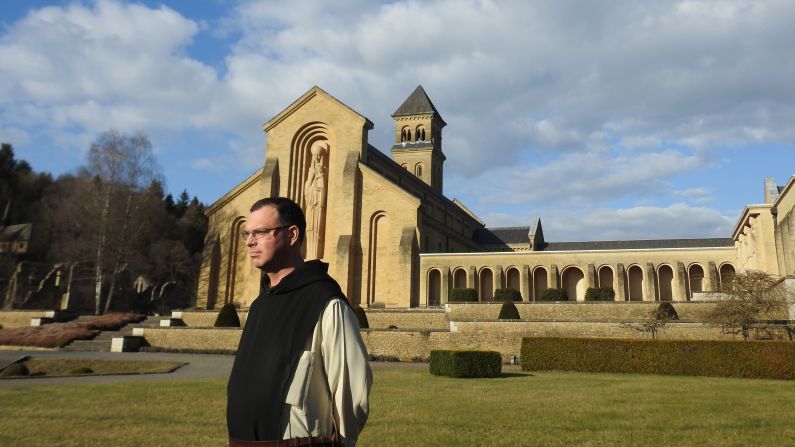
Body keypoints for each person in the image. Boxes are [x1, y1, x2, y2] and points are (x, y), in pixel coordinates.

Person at [227, 197, 372, 447]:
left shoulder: (327, 304)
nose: (250, 242)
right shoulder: (259, 305)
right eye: (247, 233)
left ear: (292, 234)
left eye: (260, 232)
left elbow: (353, 393)